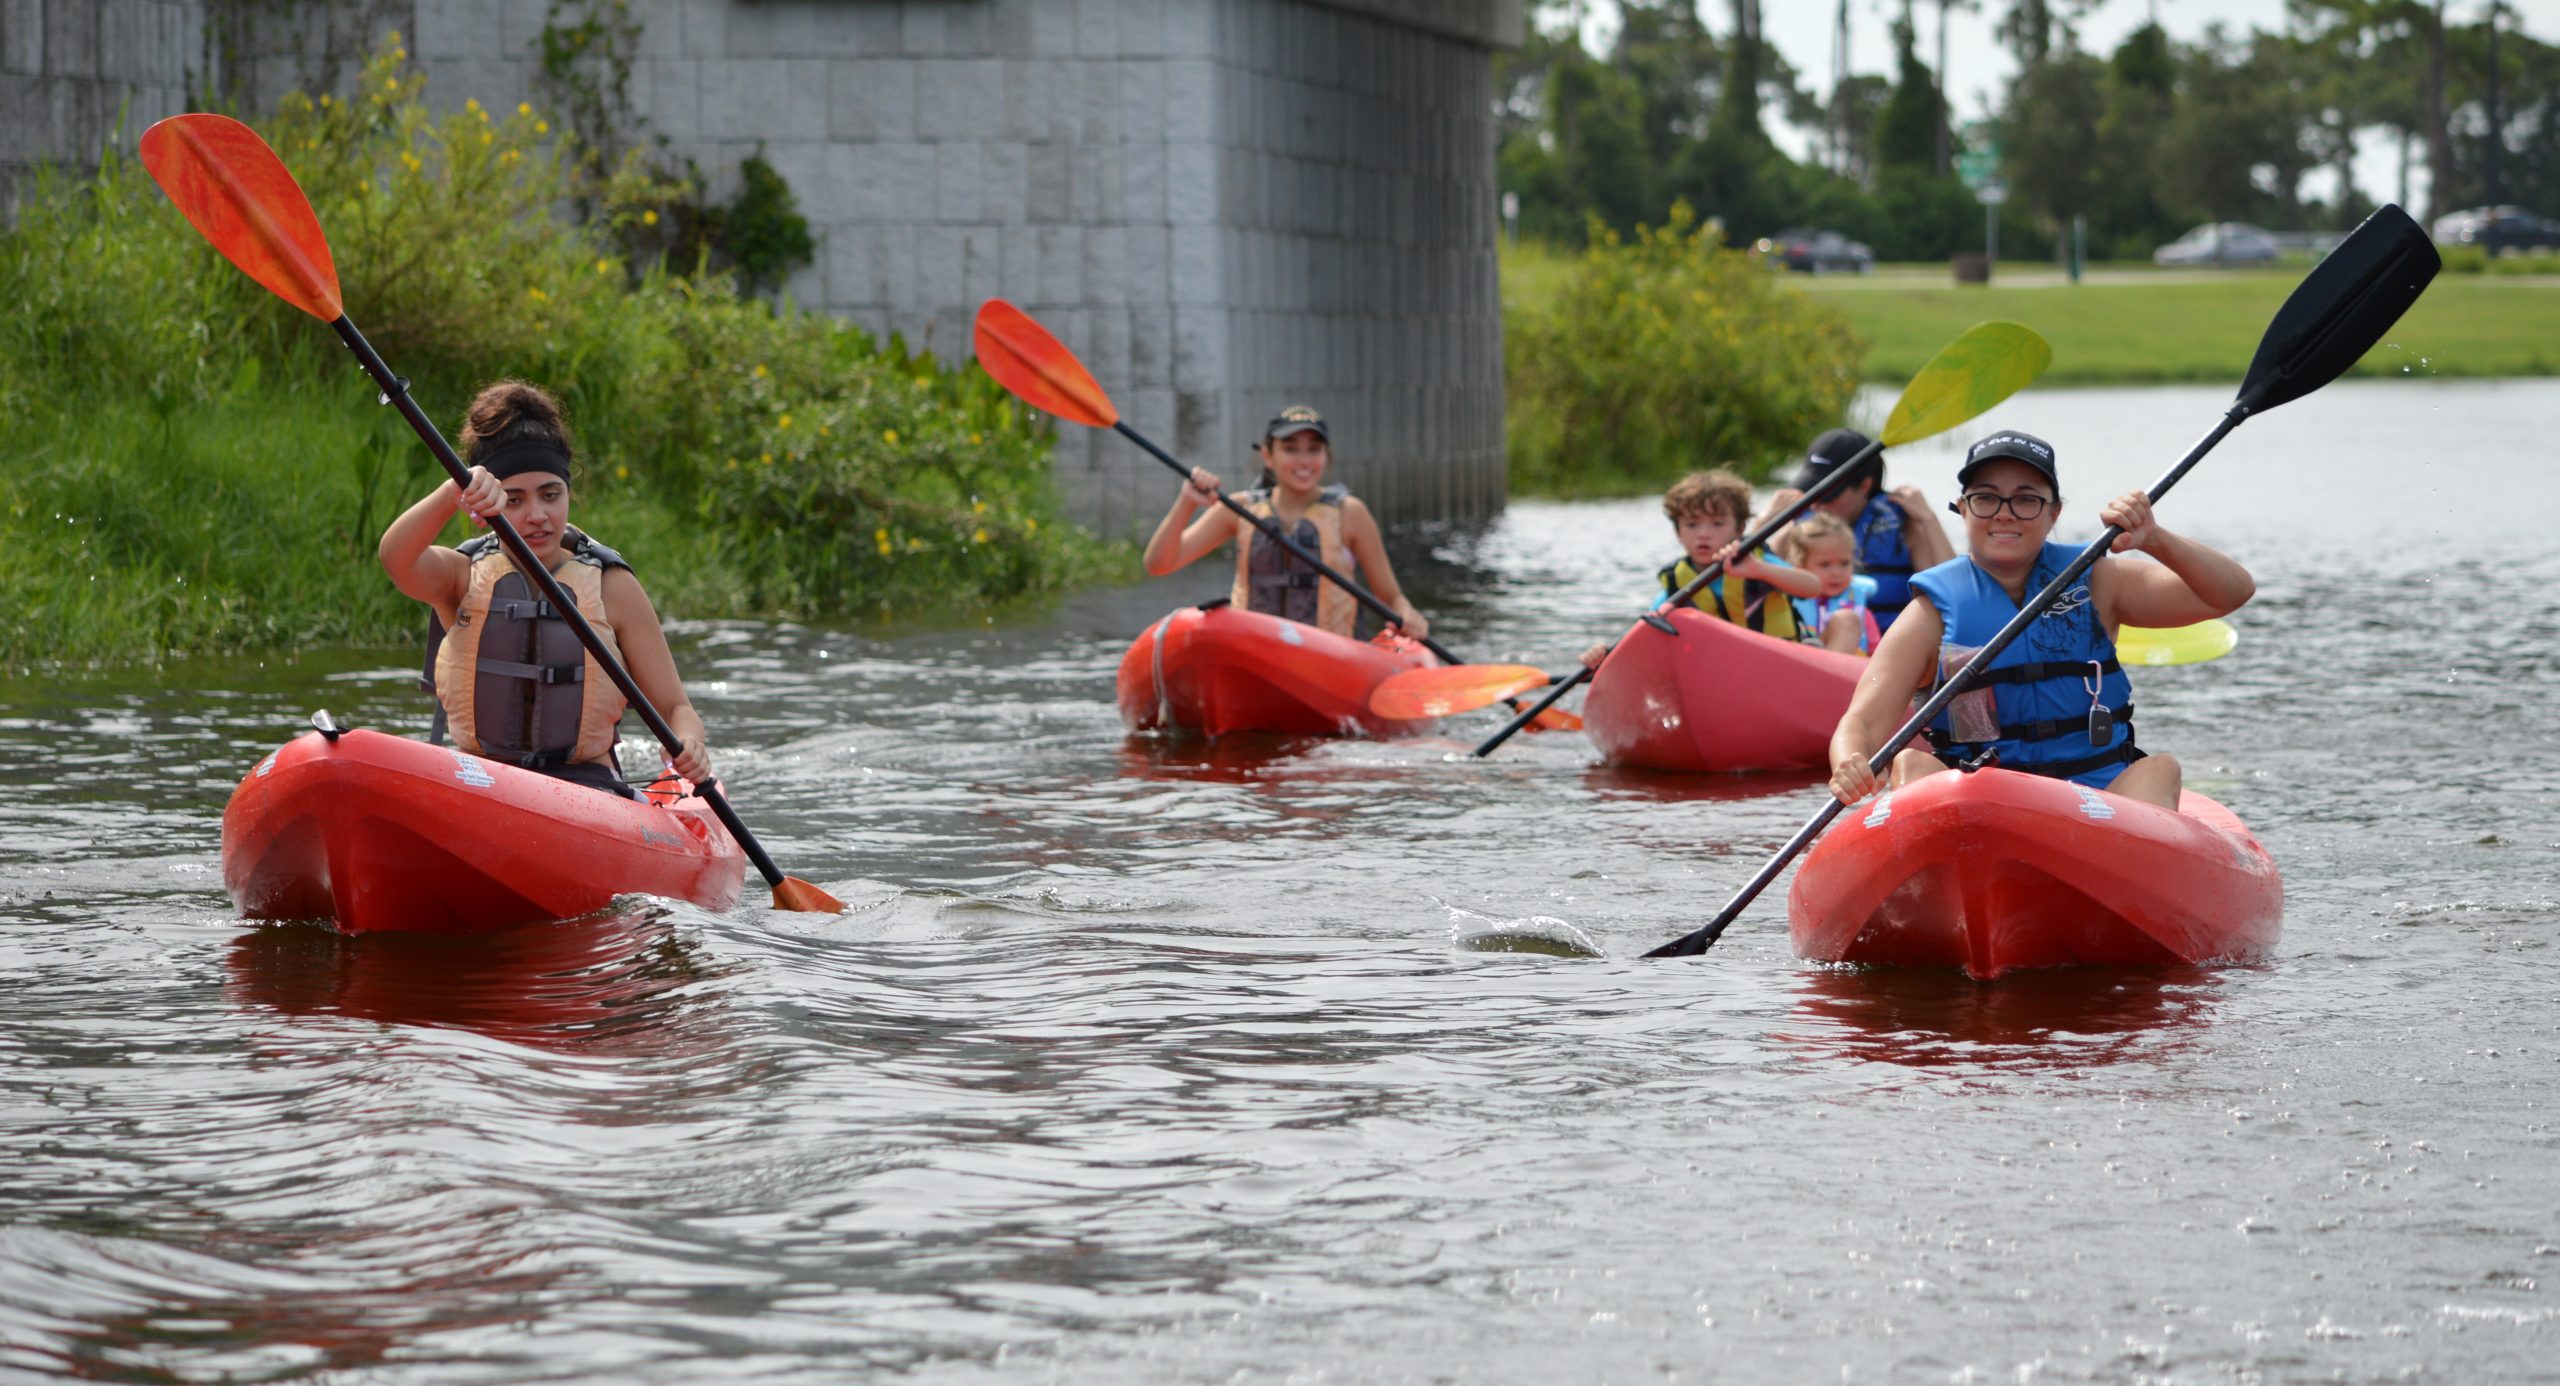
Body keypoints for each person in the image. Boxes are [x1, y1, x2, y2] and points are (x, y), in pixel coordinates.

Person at [1825, 430, 2255, 811]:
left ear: (2054, 514)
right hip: (1980, 797)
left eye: (2027, 499)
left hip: (2098, 796)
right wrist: (1849, 761)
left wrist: (2154, 538)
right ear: (1963, 508)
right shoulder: (1931, 613)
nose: (2005, 513)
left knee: (2158, 771)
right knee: (1911, 764)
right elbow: (1862, 721)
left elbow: (2231, 591)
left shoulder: (2099, 579)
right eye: (1986, 498)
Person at [377, 380, 710, 798]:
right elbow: (396, 558)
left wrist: (690, 744)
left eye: (551, 495)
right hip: (479, 782)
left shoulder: (613, 587)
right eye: (514, 500)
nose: (538, 515)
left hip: (588, 790)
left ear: (568, 493)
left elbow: (677, 709)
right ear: (487, 501)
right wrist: (452, 491)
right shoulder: (461, 576)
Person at [1141, 403, 1429, 639]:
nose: (1304, 460)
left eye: (1313, 449)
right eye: (1290, 449)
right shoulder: (1240, 509)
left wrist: (1408, 614)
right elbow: (1160, 564)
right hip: (1255, 653)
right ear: (1268, 456)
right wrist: (1187, 502)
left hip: (1330, 660)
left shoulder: (1350, 513)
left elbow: (1390, 597)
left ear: (1325, 456)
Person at [1579, 469, 1823, 667]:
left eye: (1717, 524)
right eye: (1692, 524)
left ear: (1739, 528)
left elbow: (1812, 587)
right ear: (1678, 532)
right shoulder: (1677, 582)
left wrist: (1759, 570)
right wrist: (1606, 654)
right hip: (1718, 671)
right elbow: (1645, 634)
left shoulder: (1753, 561)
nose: (1703, 534)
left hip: (1777, 663)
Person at [1762, 427, 1955, 633]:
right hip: (1815, 642)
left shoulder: (1904, 524)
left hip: (1885, 648)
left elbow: (1955, 594)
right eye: (1811, 490)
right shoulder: (1804, 525)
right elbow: (1751, 581)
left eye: (1828, 494)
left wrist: (1929, 519)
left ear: (1864, 486)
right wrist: (1765, 520)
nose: (1817, 504)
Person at [1777, 512, 1881, 655]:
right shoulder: (1787, 605)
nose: (1836, 573)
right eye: (1825, 565)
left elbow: (1877, 653)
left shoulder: (1862, 612)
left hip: (1848, 672)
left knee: (1847, 620)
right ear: (1800, 567)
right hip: (1800, 665)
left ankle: (1829, 673)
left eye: (1844, 564)